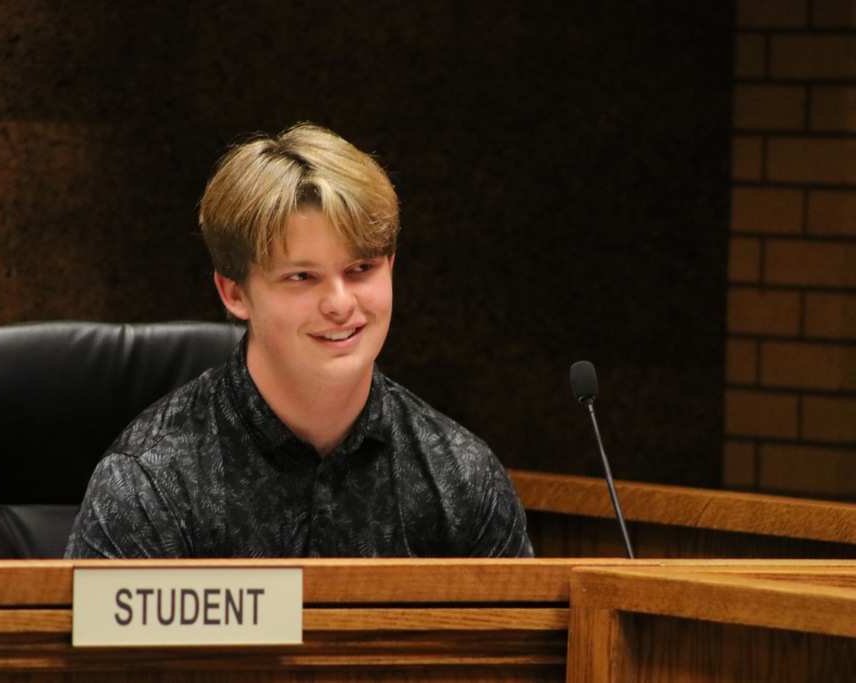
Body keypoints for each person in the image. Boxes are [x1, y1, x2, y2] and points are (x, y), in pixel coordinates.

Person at [65, 123, 533, 559]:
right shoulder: (149, 482)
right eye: (302, 276)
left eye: (360, 269)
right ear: (234, 293)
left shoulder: (463, 476)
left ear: (390, 267)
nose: (339, 303)